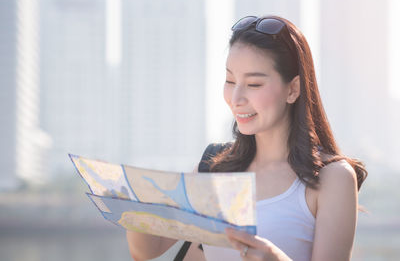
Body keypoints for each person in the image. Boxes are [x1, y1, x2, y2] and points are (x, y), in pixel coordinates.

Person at [126, 14, 368, 261]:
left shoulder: (331, 178)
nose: (236, 97)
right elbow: (146, 251)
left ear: (293, 89)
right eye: (230, 80)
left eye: (254, 84)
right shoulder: (213, 168)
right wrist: (134, 205)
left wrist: (275, 259)